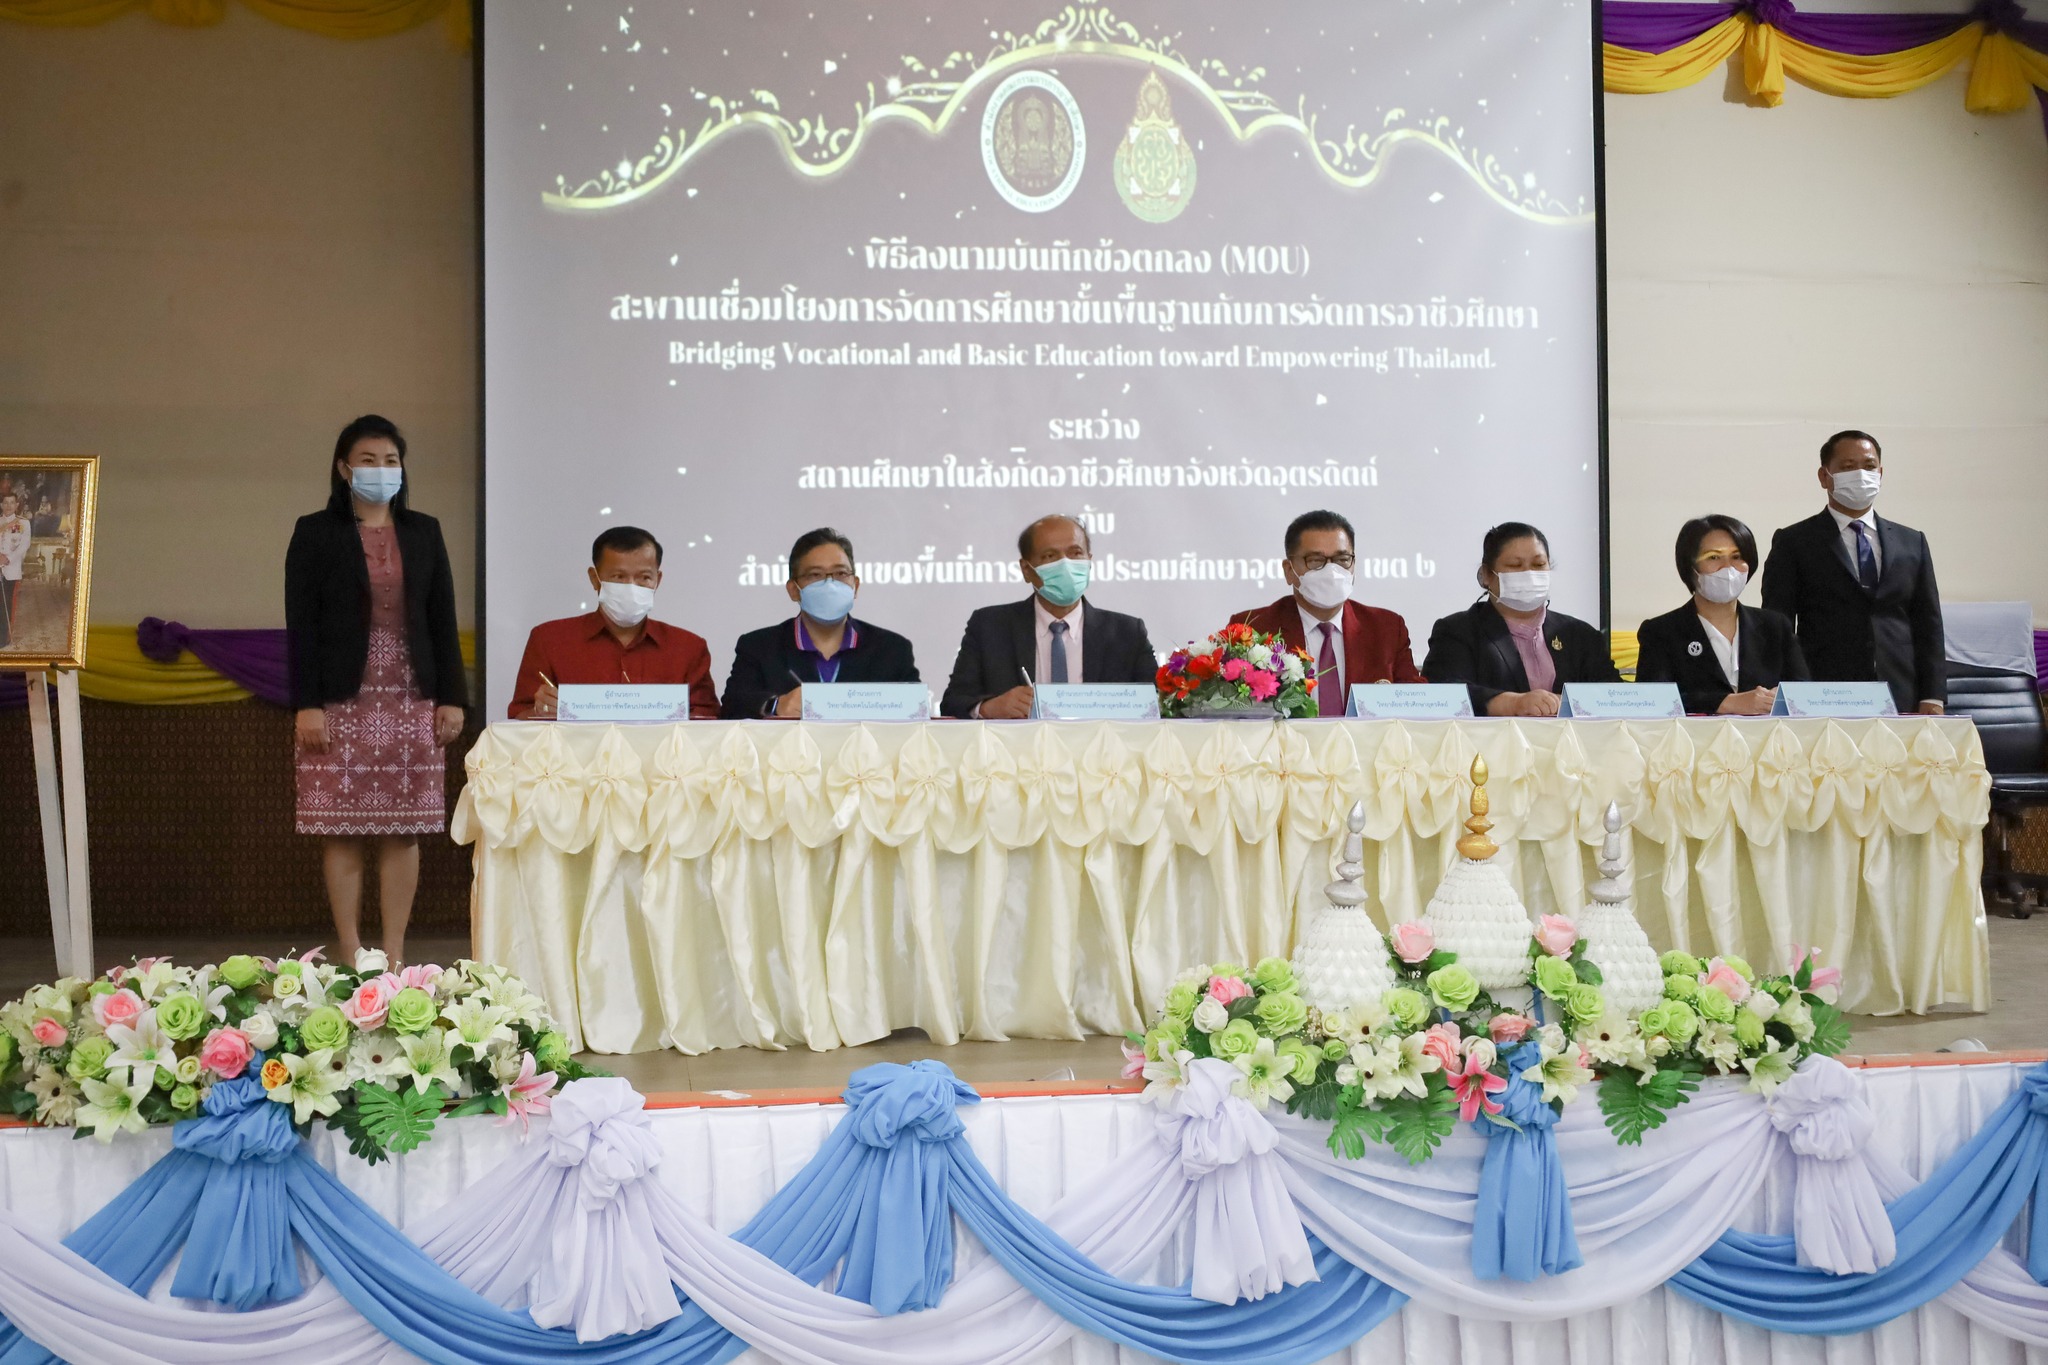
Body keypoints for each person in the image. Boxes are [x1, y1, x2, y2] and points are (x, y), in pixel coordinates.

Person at [286, 415, 466, 964]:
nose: (380, 470)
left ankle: (392, 957)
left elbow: (442, 618)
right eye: (368, 460)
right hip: (340, 700)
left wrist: (452, 696)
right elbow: (302, 625)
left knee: (403, 830)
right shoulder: (314, 531)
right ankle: (350, 951)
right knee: (340, 830)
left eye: (390, 460)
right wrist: (306, 704)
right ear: (344, 468)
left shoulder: (424, 531)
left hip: (413, 696)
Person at [1760, 430, 1945, 714]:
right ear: (1824, 477)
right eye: (1847, 467)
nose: (1860, 474)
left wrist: (1933, 695)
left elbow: (1928, 623)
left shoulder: (1912, 541)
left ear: (1881, 473)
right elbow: (1778, 624)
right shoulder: (1794, 541)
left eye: (1869, 466)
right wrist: (1785, 693)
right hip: (1822, 693)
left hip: (1901, 691)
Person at [941, 513, 1156, 718]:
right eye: (1050, 556)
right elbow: (953, 703)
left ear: (1089, 561)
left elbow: (1157, 705)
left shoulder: (1127, 633)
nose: (1066, 564)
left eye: (1075, 553)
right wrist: (989, 708)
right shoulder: (989, 626)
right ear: (1026, 569)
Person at [508, 526, 719, 720]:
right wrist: (540, 711)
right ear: (594, 578)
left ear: (658, 579)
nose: (631, 586)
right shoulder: (549, 639)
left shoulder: (688, 647)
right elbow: (518, 716)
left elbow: (708, 721)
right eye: (618, 576)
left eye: (644, 577)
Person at [1229, 509, 1424, 716]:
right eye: (1315, 560)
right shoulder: (1252, 629)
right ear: (1289, 571)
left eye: (1342, 560)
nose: (1331, 571)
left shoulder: (1387, 628)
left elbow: (1417, 707)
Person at [1422, 521, 1619, 717]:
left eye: (1539, 565)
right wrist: (1513, 703)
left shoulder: (1580, 635)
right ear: (1486, 576)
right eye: (1515, 566)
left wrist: (1575, 704)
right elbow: (1444, 692)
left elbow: (1612, 695)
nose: (1529, 574)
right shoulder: (1457, 631)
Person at [721, 527, 920, 718]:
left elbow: (916, 714)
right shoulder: (759, 647)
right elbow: (732, 706)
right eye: (815, 575)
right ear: (793, 590)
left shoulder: (892, 650)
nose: (830, 584)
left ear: (855, 586)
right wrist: (776, 705)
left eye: (841, 573)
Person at [1635, 515, 1808, 715]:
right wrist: (1728, 702)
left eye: (1737, 557)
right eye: (1714, 557)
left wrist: (1782, 697)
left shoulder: (1775, 626)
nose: (1728, 568)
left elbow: (1803, 690)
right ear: (1690, 567)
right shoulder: (1660, 632)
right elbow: (1652, 700)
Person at [0, 490, 27, 648]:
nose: (9, 506)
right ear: (1, 505)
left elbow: (24, 545)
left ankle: (4, 638)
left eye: (12, 502)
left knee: (7, 605)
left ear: (17, 505)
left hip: (11, 570)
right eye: (5, 502)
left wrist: (7, 558)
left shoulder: (23, 523)